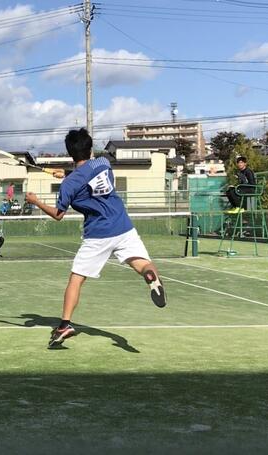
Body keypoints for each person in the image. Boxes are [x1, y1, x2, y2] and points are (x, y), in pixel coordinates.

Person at [26, 128, 167, 349]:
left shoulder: (68, 185)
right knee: (141, 263)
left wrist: (36, 201)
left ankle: (64, 325)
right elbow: (88, 176)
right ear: (90, 148)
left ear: (70, 152)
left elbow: (58, 215)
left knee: (76, 279)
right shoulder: (103, 163)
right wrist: (69, 174)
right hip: (123, 227)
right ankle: (150, 276)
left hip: (98, 235)